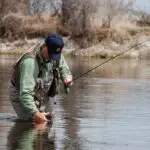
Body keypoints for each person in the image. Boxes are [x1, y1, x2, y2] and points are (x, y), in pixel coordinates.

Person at [9, 33, 73, 124]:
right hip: (20, 94)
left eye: (55, 55)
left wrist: (67, 78)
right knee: (33, 122)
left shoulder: (55, 54)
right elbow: (25, 93)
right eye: (50, 54)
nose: (52, 58)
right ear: (44, 47)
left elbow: (64, 69)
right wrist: (36, 113)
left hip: (40, 92)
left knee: (49, 120)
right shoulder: (30, 62)